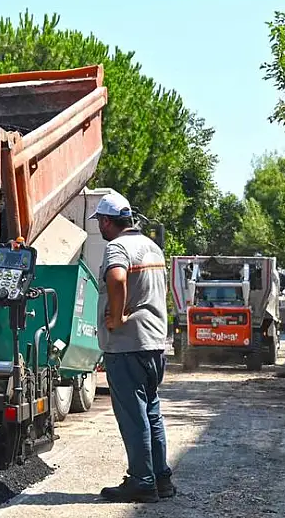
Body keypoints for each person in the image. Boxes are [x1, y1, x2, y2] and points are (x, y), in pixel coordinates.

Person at [90, 191, 175, 503]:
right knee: (151, 412)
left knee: (133, 416)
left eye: (100, 221)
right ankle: (160, 477)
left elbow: (116, 279)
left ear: (109, 221)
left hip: (127, 346)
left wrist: (118, 314)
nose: (99, 226)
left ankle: (141, 481)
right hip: (154, 344)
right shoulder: (152, 247)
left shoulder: (118, 247)